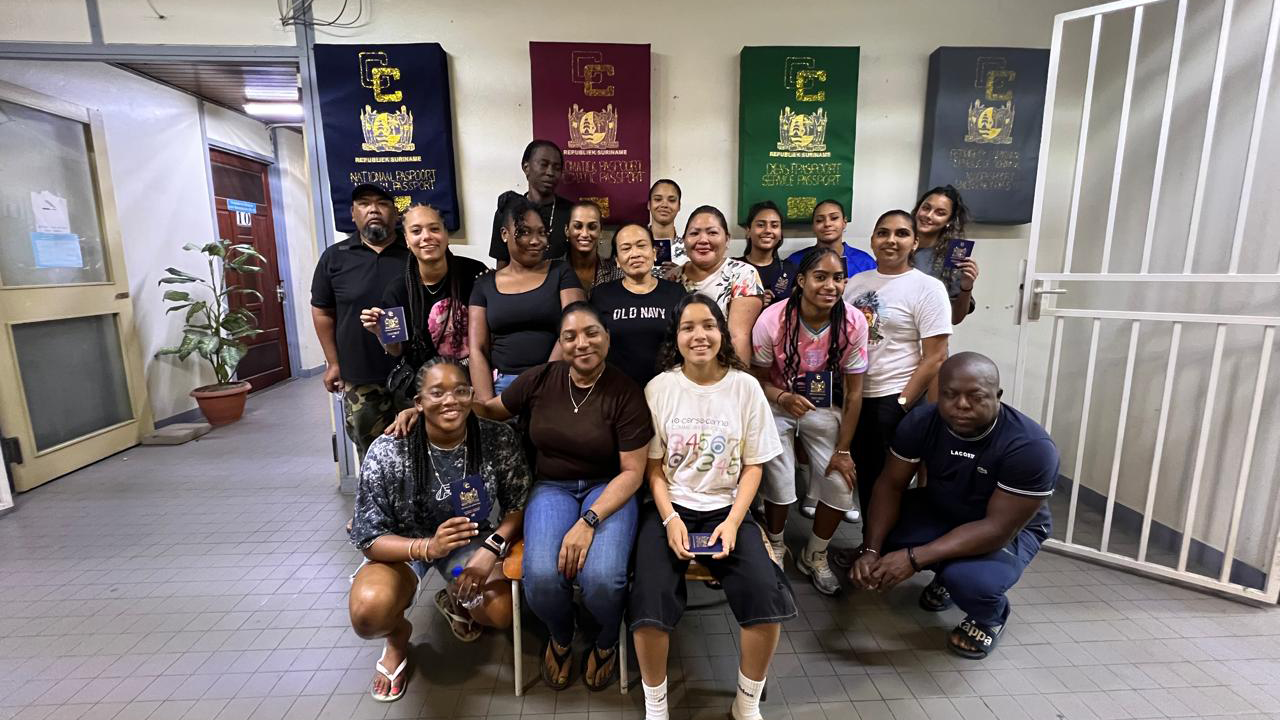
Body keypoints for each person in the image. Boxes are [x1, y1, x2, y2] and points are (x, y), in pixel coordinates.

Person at [473, 303, 652, 691]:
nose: (581, 343)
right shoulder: (541, 378)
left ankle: (607, 639)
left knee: (603, 579)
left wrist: (589, 521)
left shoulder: (626, 392)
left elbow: (633, 473)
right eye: (570, 336)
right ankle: (561, 634)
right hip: (552, 486)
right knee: (539, 577)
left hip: (609, 487)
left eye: (591, 333)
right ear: (560, 343)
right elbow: (490, 411)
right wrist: (429, 410)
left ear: (607, 337)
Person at [632, 294, 793, 720]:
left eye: (708, 325)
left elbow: (754, 466)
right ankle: (656, 707)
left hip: (728, 508)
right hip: (670, 507)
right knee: (649, 602)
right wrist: (670, 519)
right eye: (688, 327)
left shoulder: (745, 388)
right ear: (676, 337)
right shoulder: (660, 388)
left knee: (765, 597)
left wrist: (735, 521)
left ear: (722, 332)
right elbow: (652, 468)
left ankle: (746, 703)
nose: (699, 335)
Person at [849, 353, 1058, 660]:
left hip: (1009, 529)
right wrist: (871, 549)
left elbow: (997, 529)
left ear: (997, 395)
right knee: (885, 536)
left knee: (972, 582)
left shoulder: (1030, 447)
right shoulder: (922, 422)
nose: (961, 405)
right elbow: (890, 485)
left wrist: (914, 559)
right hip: (945, 507)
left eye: (976, 397)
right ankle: (945, 574)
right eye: (950, 394)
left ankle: (990, 616)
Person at [348, 359, 530, 701]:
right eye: (437, 393)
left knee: (499, 610)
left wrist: (490, 548)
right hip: (403, 548)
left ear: (472, 394)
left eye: (460, 391)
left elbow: (517, 506)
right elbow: (369, 538)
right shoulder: (390, 449)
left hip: (467, 547)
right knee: (369, 612)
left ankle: (456, 594)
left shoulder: (495, 438)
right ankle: (397, 638)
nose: (451, 401)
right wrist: (428, 547)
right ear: (418, 402)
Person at [751, 247, 868, 595]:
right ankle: (776, 545)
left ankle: (814, 554)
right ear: (801, 281)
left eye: (838, 278)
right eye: (820, 277)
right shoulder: (772, 319)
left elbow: (854, 394)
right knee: (780, 479)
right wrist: (783, 398)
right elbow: (756, 380)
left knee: (841, 483)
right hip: (777, 402)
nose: (830, 286)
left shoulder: (853, 322)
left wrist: (844, 451)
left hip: (822, 406)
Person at [843, 210, 951, 514]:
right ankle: (871, 539)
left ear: (915, 242)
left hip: (894, 395)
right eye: (883, 233)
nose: (891, 240)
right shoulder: (855, 283)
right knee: (867, 477)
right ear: (872, 240)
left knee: (890, 483)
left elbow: (936, 356)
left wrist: (902, 402)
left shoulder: (927, 288)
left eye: (901, 233)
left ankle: (889, 543)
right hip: (855, 395)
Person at [311, 182, 412, 460]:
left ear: (396, 213)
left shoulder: (414, 252)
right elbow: (322, 312)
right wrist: (333, 363)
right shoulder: (335, 257)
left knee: (421, 453)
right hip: (360, 376)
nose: (374, 210)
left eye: (382, 203)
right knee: (372, 457)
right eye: (364, 204)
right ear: (353, 214)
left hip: (413, 374)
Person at [358, 203, 488, 385]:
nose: (426, 236)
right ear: (407, 240)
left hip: (476, 378)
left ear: (446, 235)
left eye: (434, 229)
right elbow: (396, 349)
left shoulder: (474, 272)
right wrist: (381, 332)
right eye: (416, 231)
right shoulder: (398, 290)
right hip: (426, 385)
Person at [470, 197, 585, 400]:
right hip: (502, 387)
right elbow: (477, 349)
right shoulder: (484, 284)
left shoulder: (561, 272)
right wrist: (487, 405)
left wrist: (543, 384)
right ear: (504, 234)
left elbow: (574, 330)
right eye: (524, 232)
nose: (535, 241)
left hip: (555, 382)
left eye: (541, 232)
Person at [590, 223, 686, 388]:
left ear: (654, 253)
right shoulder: (601, 295)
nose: (635, 254)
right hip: (616, 391)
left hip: (667, 389)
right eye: (626, 248)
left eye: (641, 246)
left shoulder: (676, 292)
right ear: (617, 260)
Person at [673, 205, 764, 363]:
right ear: (684, 240)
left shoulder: (742, 275)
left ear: (727, 239)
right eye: (694, 233)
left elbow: (738, 338)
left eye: (712, 233)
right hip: (679, 368)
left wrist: (736, 377)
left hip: (724, 367)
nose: (703, 240)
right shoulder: (672, 277)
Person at [488, 140, 573, 267]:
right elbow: (502, 267)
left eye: (557, 168)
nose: (550, 172)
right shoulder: (508, 211)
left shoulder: (572, 213)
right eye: (544, 165)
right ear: (526, 167)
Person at [913, 185, 979, 325]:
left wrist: (967, 286)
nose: (928, 215)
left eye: (940, 213)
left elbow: (955, 318)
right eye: (926, 208)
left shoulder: (954, 255)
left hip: (928, 334)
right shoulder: (897, 244)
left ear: (949, 221)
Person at [785, 198, 877, 278]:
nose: (827, 224)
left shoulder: (865, 262)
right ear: (813, 226)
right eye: (819, 220)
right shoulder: (795, 261)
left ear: (844, 222)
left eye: (834, 218)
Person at [738, 200, 796, 307]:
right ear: (748, 231)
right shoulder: (733, 267)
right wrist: (754, 302)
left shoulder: (790, 269)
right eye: (760, 225)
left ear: (780, 234)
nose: (768, 230)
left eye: (774, 226)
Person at [565, 200, 622, 297]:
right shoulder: (551, 272)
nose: (585, 234)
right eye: (578, 226)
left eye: (592, 227)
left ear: (601, 232)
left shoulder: (617, 274)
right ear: (567, 230)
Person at [648, 178, 683, 270]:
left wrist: (681, 274)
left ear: (679, 206)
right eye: (658, 199)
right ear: (649, 204)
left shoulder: (690, 249)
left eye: (672, 200)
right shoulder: (635, 246)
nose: (664, 205)